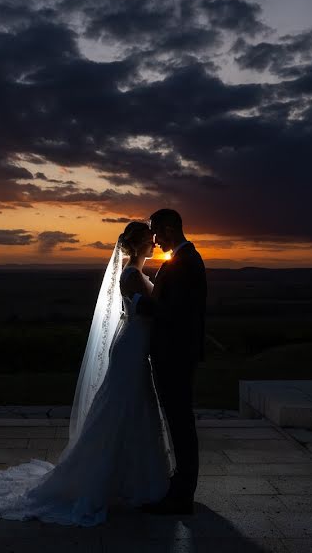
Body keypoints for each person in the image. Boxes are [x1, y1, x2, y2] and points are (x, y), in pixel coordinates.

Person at [0, 221, 175, 526]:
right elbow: (152, 309)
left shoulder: (136, 273)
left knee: (136, 407)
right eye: (150, 241)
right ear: (140, 245)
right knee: (121, 407)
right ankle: (108, 480)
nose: (155, 245)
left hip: (135, 346)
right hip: (130, 348)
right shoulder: (131, 275)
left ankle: (132, 481)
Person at [135, 209, 207, 515]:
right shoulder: (182, 259)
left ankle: (182, 496)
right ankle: (181, 488)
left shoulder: (186, 262)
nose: (154, 239)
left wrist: (139, 304)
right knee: (179, 422)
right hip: (174, 354)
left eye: (157, 232)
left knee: (181, 423)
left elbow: (174, 314)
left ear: (169, 228)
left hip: (176, 356)